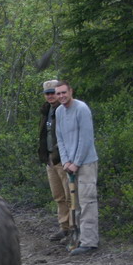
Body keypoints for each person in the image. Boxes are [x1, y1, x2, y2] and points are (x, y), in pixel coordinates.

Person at [54, 80, 99, 255]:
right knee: (75, 203)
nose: (61, 96)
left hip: (85, 163)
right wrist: (65, 161)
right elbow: (60, 138)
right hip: (70, 164)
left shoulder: (81, 109)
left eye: (64, 92)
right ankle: (79, 238)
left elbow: (86, 139)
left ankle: (90, 242)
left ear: (70, 91)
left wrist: (77, 163)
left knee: (87, 202)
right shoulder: (59, 111)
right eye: (58, 93)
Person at [38, 79, 71, 242]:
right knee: (58, 196)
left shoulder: (65, 110)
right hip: (50, 160)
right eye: (47, 93)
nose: (50, 96)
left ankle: (74, 229)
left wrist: (59, 157)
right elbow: (44, 135)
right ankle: (64, 228)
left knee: (70, 195)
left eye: (53, 93)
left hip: (63, 159)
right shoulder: (46, 110)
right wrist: (45, 156)